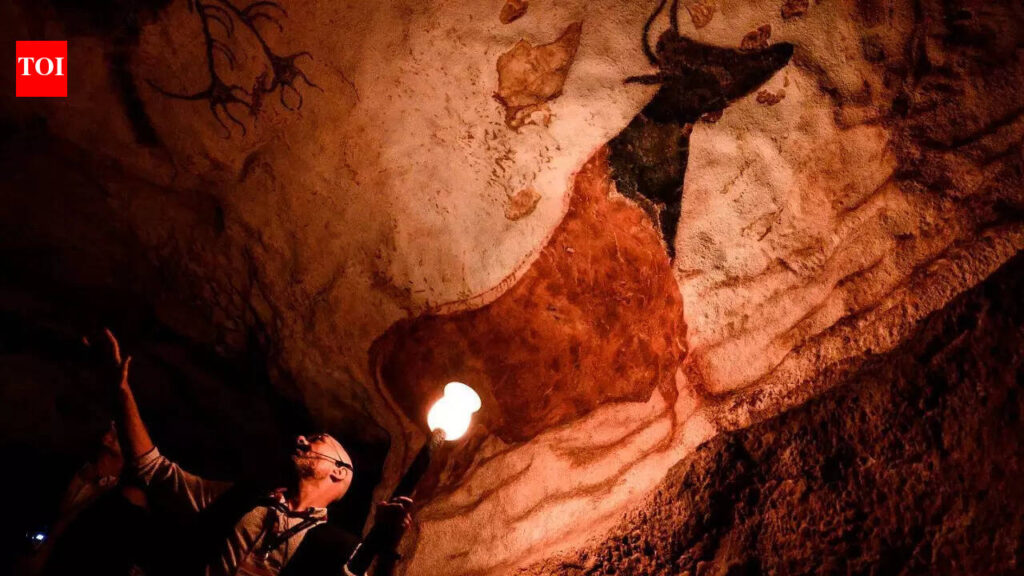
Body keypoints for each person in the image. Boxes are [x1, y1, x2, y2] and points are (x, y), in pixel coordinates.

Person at [96, 329, 411, 576]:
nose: (301, 438)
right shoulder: (239, 499)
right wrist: (121, 392)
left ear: (339, 471)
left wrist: (386, 542)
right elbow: (151, 468)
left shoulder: (339, 547)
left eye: (316, 439)